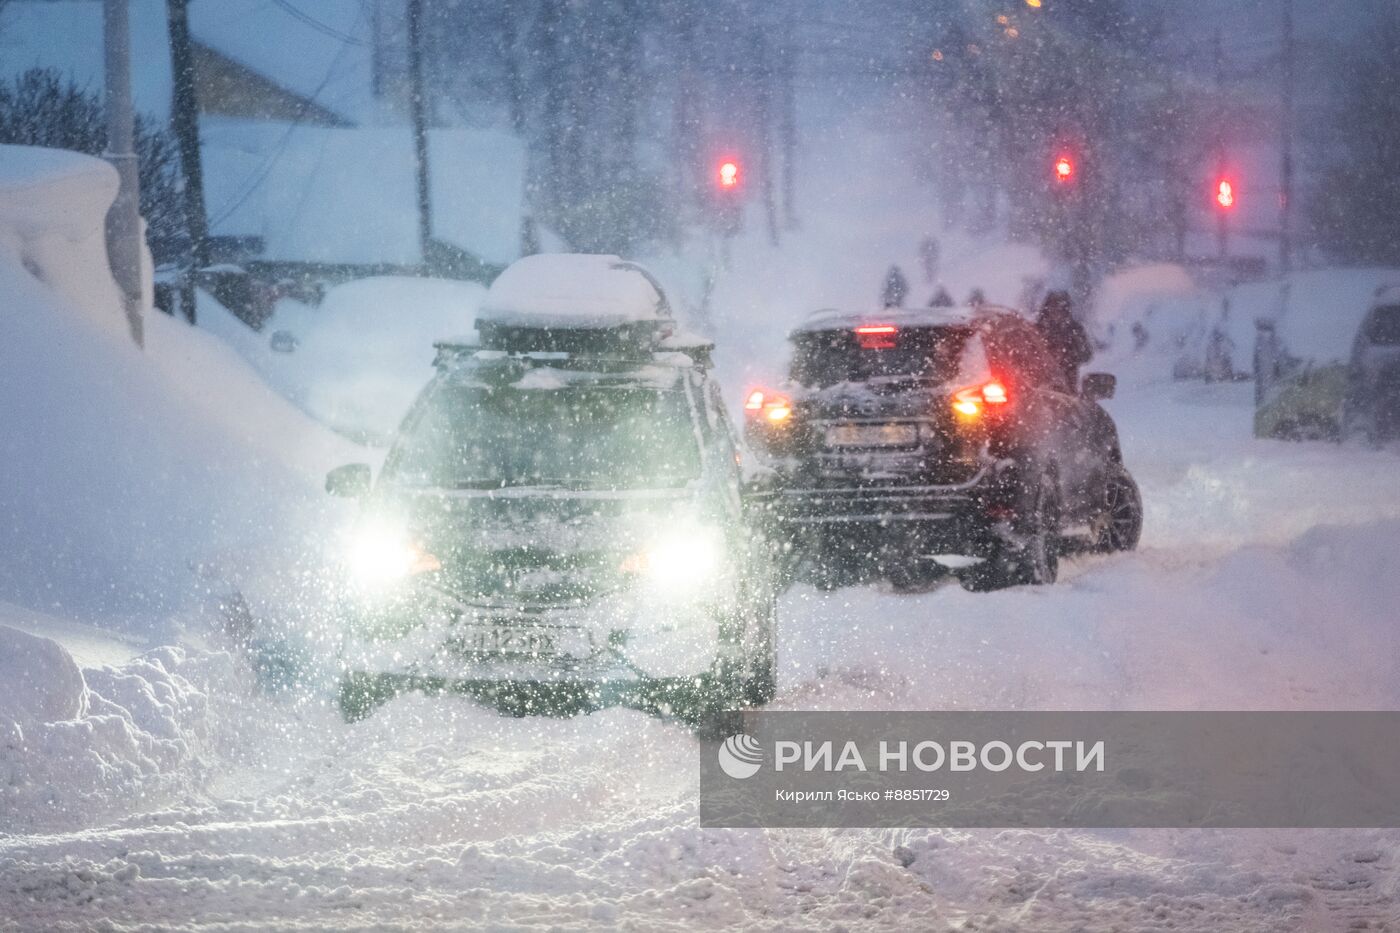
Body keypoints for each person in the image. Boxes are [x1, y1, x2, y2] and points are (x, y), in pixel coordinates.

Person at [1035, 290, 1092, 390]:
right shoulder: (1036, 330)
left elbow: (1086, 354)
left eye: (1061, 309)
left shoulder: (1075, 330)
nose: (1056, 312)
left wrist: (1069, 357)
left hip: (1066, 388)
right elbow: (1023, 354)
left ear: (1066, 311)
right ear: (1046, 310)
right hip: (1036, 386)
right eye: (1053, 308)